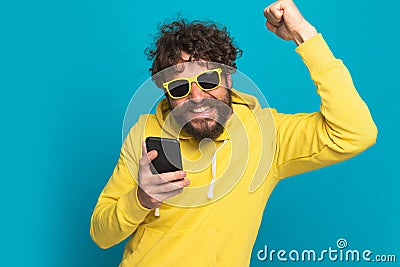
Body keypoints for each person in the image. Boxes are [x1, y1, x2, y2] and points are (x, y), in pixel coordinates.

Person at [90, 0, 377, 266]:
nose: (197, 96)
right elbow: (101, 234)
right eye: (179, 87)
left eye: (207, 79)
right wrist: (140, 200)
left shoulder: (267, 135)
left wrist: (305, 34)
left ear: (227, 77)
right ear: (166, 94)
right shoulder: (145, 133)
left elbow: (356, 132)